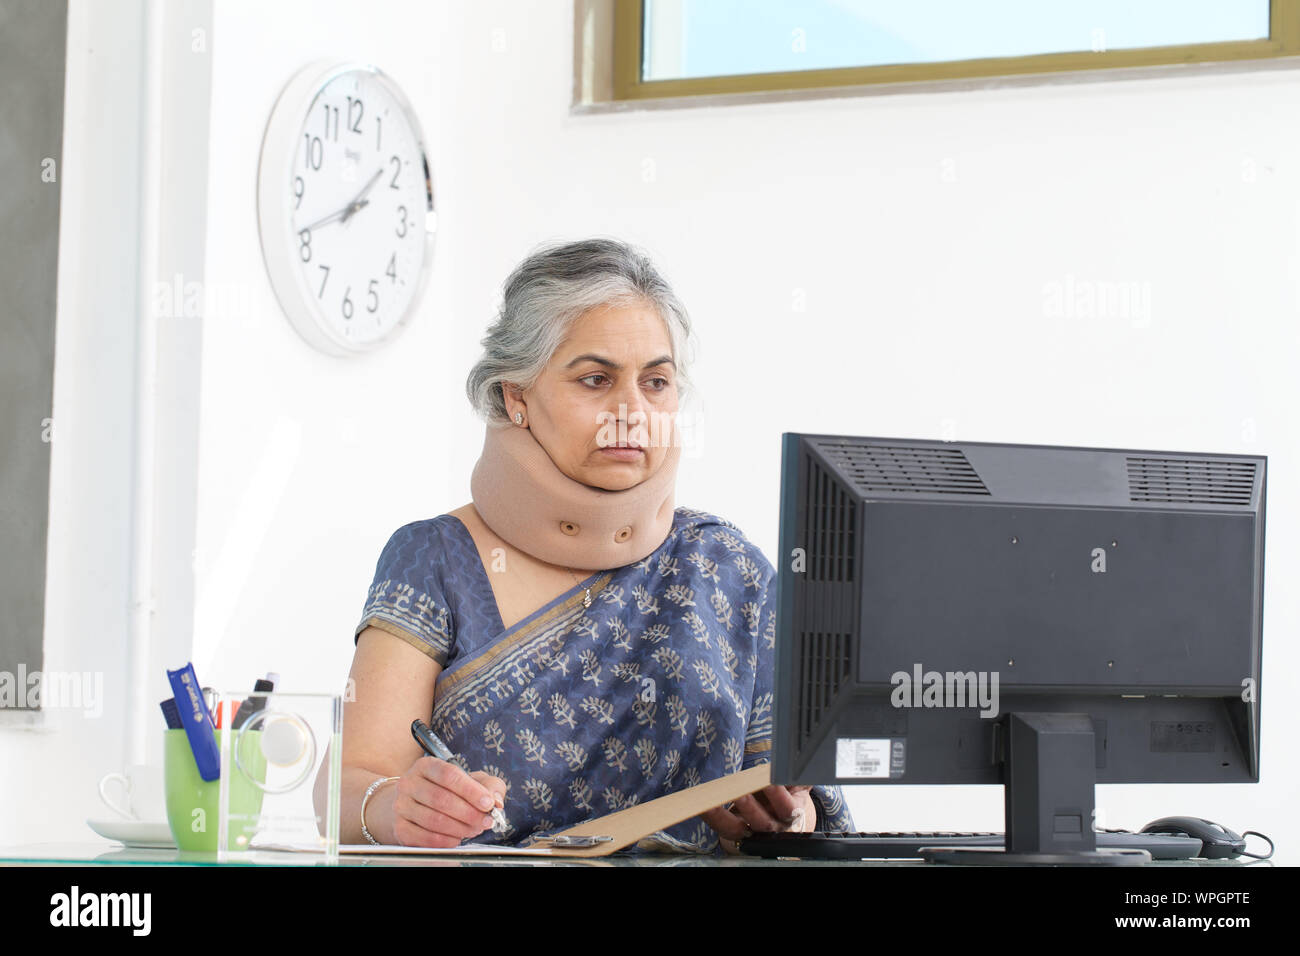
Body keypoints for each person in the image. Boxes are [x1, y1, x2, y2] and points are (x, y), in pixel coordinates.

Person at [331, 237, 854, 854]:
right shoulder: (433, 558)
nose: (631, 411)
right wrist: (398, 807)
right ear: (515, 397)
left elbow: (806, 806)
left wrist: (791, 822)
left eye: (656, 382)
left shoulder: (727, 567)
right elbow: (349, 787)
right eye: (596, 379)